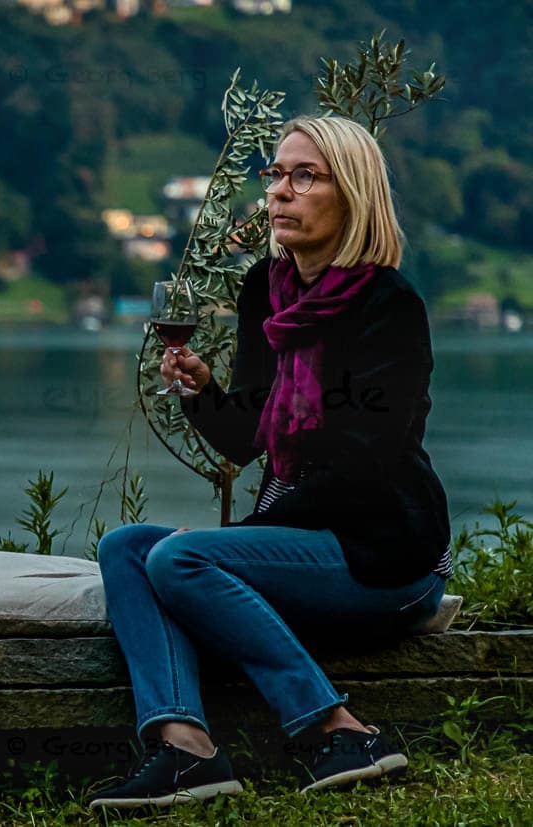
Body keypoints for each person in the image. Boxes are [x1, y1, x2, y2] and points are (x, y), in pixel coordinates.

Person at [88, 114, 453, 811]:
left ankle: (338, 728)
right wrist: (202, 393)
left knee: (181, 558)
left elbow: (365, 463)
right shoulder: (269, 290)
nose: (280, 192)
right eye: (275, 175)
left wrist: (233, 542)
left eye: (304, 176)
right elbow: (247, 435)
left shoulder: (390, 305)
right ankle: (184, 749)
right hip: (310, 540)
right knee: (130, 547)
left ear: (351, 193)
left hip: (388, 554)